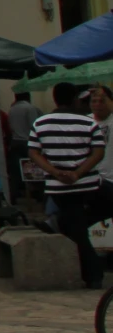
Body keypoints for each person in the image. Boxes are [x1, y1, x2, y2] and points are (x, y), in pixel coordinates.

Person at [27, 82, 106, 288]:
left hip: (58, 187)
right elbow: (98, 152)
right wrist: (78, 173)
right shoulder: (88, 123)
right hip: (88, 184)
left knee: (76, 226)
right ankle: (93, 274)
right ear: (75, 99)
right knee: (79, 226)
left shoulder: (40, 123)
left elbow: (34, 153)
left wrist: (55, 172)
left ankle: (92, 272)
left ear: (54, 99)